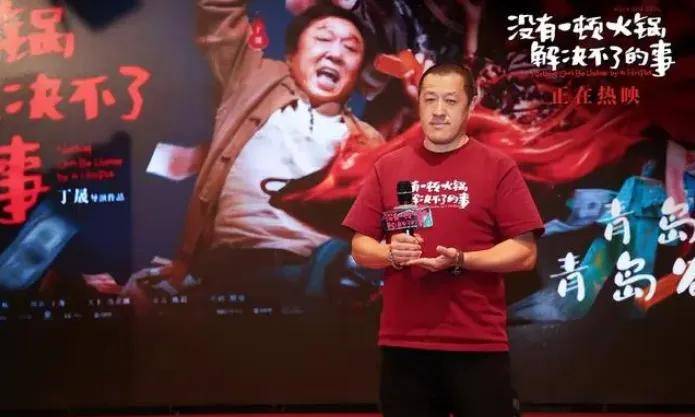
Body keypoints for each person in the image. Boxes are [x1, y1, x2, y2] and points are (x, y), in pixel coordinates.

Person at [342, 63, 544, 417]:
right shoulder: (388, 167)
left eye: (450, 101)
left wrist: (463, 260)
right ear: (418, 103)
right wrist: (390, 253)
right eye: (429, 99)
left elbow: (524, 252)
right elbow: (360, 247)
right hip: (404, 345)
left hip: (477, 343)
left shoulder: (497, 166)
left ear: (471, 105)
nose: (438, 111)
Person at [159, 1, 395, 299]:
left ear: (358, 71)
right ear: (291, 56)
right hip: (232, 268)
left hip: (321, 280)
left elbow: (404, 221)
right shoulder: (253, 81)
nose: (335, 53)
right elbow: (218, 11)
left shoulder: (369, 141)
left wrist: (422, 101)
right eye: (323, 38)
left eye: (350, 48)